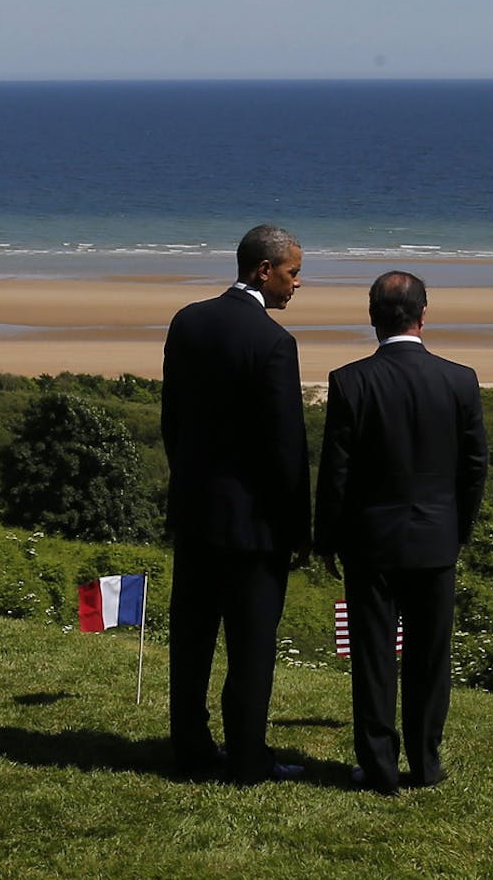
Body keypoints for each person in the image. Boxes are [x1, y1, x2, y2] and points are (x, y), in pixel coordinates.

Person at [315, 270, 487, 794]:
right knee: (430, 658)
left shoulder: (350, 381)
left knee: (373, 659)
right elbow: (475, 464)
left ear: (372, 316)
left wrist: (327, 538)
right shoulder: (460, 379)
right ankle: (426, 762)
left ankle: (379, 765)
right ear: (424, 313)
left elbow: (335, 472)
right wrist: (459, 529)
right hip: (436, 540)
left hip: (371, 541)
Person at [160, 224, 311, 785]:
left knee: (192, 640)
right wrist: (299, 527)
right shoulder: (274, 343)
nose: (298, 284)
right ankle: (247, 756)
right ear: (262, 271)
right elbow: (286, 447)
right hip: (255, 527)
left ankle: (191, 750)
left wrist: (187, 482)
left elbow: (171, 418)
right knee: (251, 649)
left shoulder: (188, 321)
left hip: (197, 513)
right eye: (293, 272)